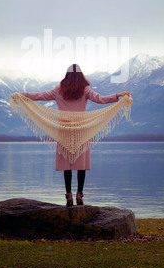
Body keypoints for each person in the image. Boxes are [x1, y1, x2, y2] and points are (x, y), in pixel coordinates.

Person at [19, 63, 130, 206]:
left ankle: (68, 196)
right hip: (81, 130)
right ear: (80, 75)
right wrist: (118, 95)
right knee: (81, 164)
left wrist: (20, 95)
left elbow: (38, 96)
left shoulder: (58, 90)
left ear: (67, 75)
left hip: (64, 130)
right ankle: (79, 195)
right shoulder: (85, 90)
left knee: (67, 164)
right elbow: (101, 99)